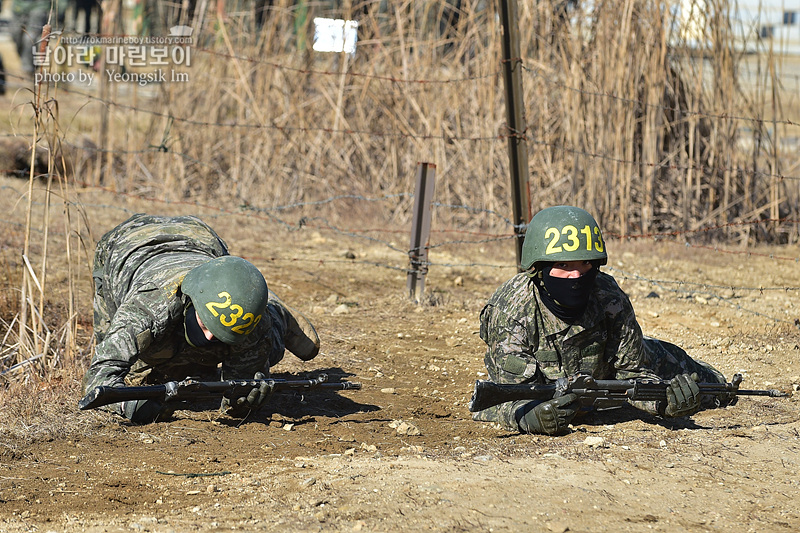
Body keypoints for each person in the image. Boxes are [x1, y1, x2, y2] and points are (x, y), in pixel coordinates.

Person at [473, 205, 731, 436]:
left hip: (611, 371)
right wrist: (530, 418)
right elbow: (505, 397)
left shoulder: (609, 297)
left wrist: (665, 403)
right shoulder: (511, 312)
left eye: (585, 263)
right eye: (563, 265)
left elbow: (634, 373)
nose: (576, 275)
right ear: (538, 270)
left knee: (709, 386)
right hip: (548, 388)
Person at [82, 214, 320, 423]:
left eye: (216, 331)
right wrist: (129, 406)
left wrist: (244, 401)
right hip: (127, 242)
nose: (208, 336)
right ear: (192, 301)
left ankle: (275, 312)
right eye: (206, 324)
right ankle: (269, 308)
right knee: (137, 367)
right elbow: (98, 382)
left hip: (201, 239)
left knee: (270, 350)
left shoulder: (251, 326)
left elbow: (239, 389)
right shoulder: (146, 309)